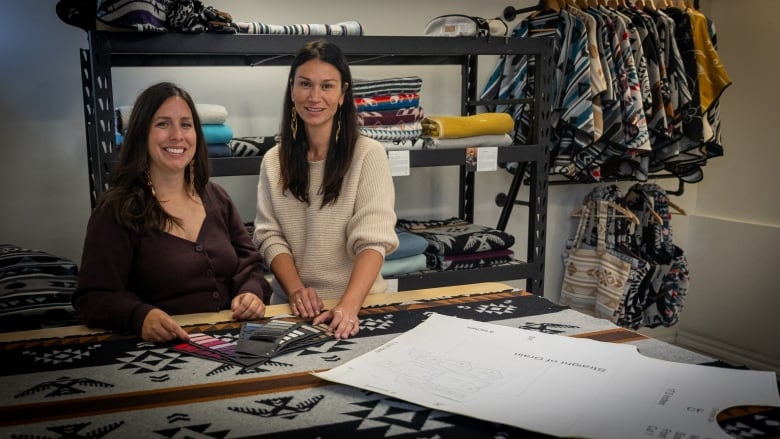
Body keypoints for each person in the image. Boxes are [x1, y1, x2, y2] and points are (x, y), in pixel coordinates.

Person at [73, 81, 271, 343]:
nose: (177, 135)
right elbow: (92, 296)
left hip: (232, 339)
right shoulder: (117, 210)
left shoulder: (216, 196)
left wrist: (252, 291)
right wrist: (139, 315)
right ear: (142, 133)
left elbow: (249, 261)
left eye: (186, 125)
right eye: (163, 124)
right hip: (158, 352)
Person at [253, 39, 399, 340]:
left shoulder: (368, 154)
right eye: (305, 84)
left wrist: (347, 307)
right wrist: (296, 291)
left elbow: (373, 240)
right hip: (291, 308)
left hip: (358, 306)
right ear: (292, 89)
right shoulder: (273, 161)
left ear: (343, 93)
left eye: (327, 86)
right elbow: (269, 236)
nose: (314, 97)